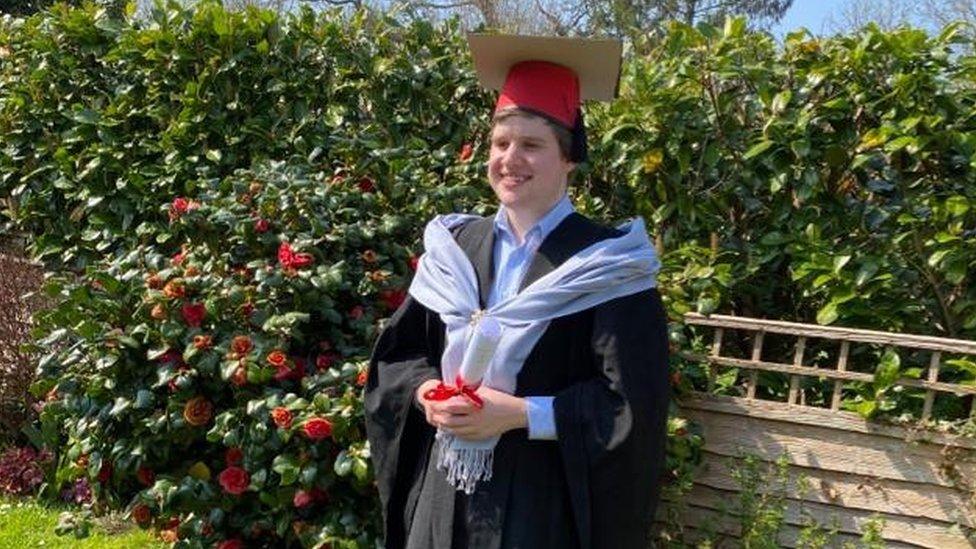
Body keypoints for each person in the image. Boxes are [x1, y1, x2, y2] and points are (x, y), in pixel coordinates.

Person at [364, 33, 670, 549]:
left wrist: (522, 415)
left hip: (539, 503)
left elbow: (630, 404)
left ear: (569, 158)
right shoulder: (454, 250)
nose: (511, 159)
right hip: (441, 493)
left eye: (532, 145)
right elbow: (400, 358)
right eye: (501, 143)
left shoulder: (608, 267)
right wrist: (426, 395)